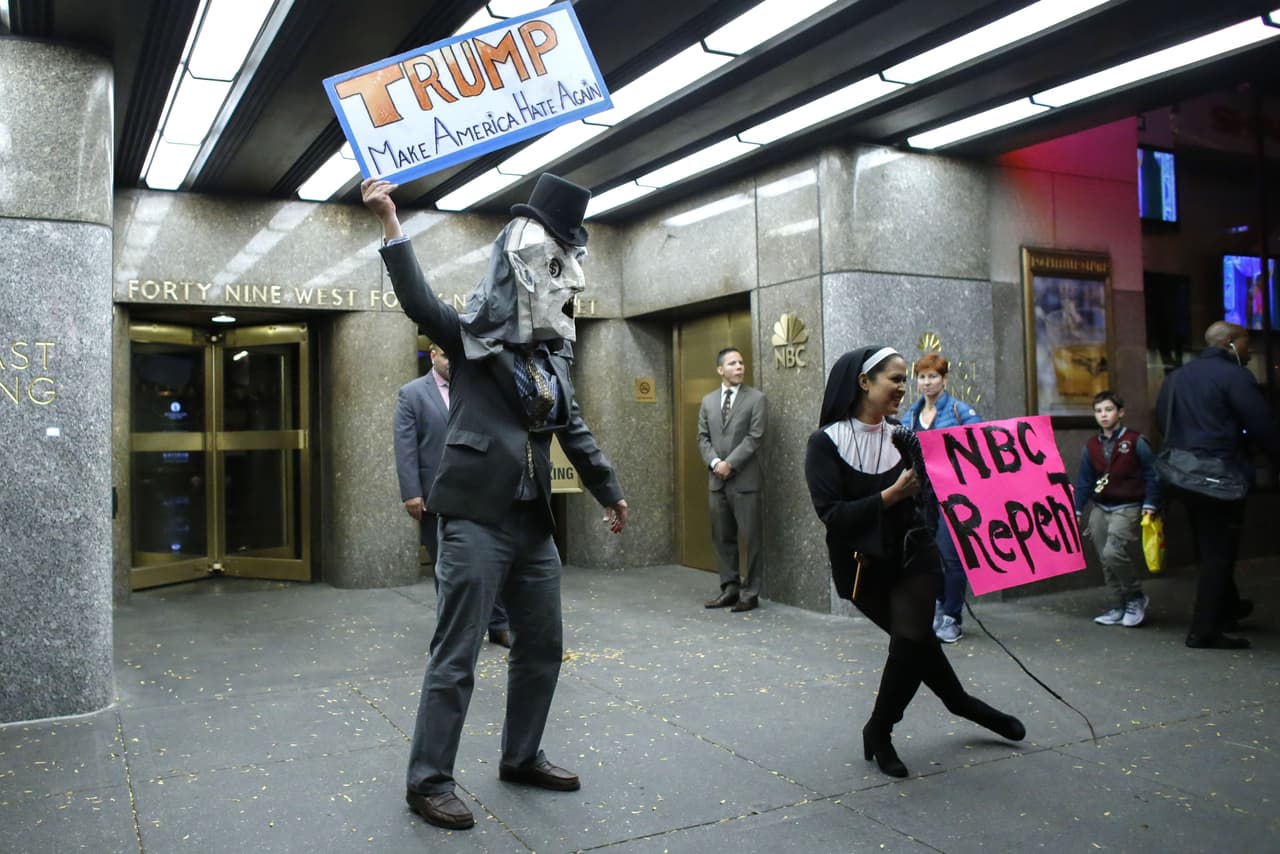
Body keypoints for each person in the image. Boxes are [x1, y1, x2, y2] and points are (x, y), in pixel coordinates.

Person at [364, 173, 629, 830]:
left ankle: (521, 754)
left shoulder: (555, 356)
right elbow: (422, 304)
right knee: (456, 654)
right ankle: (427, 781)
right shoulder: (473, 340)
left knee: (542, 643)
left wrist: (609, 490)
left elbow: (573, 428)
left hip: (531, 522)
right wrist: (391, 222)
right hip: (474, 518)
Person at [804, 345, 1024, 779]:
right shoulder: (824, 443)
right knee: (916, 643)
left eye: (907, 379)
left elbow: (927, 499)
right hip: (862, 566)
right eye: (896, 379)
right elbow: (832, 515)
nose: (904, 388)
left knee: (909, 638)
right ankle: (960, 702)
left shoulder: (903, 435)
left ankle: (881, 730)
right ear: (864, 382)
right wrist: (891, 495)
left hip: (915, 557)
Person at [1156, 321, 1280, 650]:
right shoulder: (1236, 377)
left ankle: (1227, 606)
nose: (1249, 350)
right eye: (1245, 343)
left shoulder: (1175, 378)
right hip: (1220, 475)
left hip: (1181, 475)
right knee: (1219, 553)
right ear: (1229, 344)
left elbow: (1161, 420)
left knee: (1207, 546)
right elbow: (1262, 425)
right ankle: (1204, 629)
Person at [394, 343, 511, 648]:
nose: (451, 362)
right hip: (436, 497)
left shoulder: (476, 387)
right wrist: (411, 493)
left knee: (490, 561)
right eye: (445, 355)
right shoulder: (412, 394)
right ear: (433, 355)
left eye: (455, 356)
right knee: (446, 568)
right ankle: (454, 632)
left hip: (480, 492)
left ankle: (498, 625)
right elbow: (406, 447)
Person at [905, 353, 980, 643]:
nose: (927, 382)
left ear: (944, 379)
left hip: (954, 497)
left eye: (933, 376)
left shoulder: (961, 411)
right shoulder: (911, 415)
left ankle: (952, 616)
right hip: (922, 498)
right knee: (929, 557)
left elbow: (983, 447)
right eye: (922, 377)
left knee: (952, 557)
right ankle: (935, 608)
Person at [1073, 391, 1160, 629]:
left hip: (1128, 505)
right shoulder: (1091, 445)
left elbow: (1153, 474)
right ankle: (1118, 604)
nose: (1104, 415)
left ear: (1120, 412)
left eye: (1109, 410)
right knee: (1104, 558)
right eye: (1099, 411)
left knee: (1113, 552)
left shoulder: (1135, 440)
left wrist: (1151, 504)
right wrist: (1077, 510)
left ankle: (1135, 597)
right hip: (1101, 506)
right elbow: (1084, 480)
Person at [697, 347, 767, 612]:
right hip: (717, 481)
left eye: (741, 362)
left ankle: (751, 593)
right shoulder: (708, 401)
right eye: (733, 363)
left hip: (745, 481)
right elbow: (702, 438)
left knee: (752, 539)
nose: (739, 367)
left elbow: (755, 437)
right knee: (722, 537)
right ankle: (729, 588)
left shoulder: (756, 399)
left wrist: (730, 464)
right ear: (720, 370)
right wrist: (715, 463)